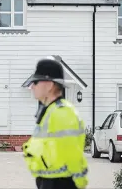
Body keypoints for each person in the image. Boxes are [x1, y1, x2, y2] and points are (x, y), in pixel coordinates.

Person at [22, 58, 89, 189]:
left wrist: (79, 183)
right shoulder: (50, 110)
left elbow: (72, 153)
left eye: (36, 82)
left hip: (61, 183)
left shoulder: (62, 113)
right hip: (49, 181)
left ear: (49, 85)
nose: (32, 86)